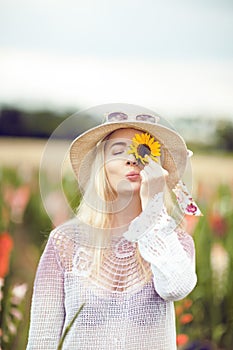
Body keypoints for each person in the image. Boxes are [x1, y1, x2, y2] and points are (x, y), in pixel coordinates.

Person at [27, 106, 201, 350]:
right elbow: (42, 340)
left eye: (143, 151)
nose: (132, 159)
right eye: (118, 151)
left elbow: (176, 287)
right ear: (101, 167)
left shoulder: (175, 242)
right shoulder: (64, 241)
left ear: (158, 170)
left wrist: (153, 209)